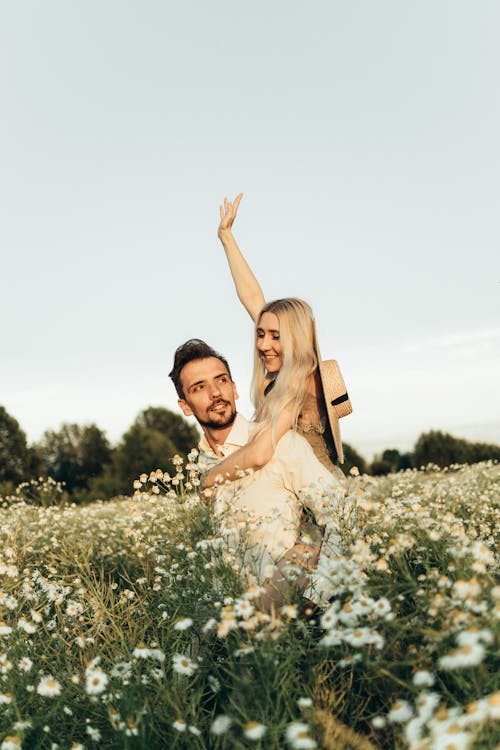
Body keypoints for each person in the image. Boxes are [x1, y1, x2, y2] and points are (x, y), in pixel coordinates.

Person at [168, 339, 344, 609]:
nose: (215, 392)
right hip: (231, 622)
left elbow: (341, 515)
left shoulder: (281, 444)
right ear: (185, 406)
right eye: (199, 387)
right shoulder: (197, 469)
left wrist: (314, 599)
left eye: (221, 380)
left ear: (235, 389)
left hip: (290, 618)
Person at [200, 193, 350, 493]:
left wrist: (209, 478)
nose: (263, 344)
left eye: (275, 337)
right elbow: (253, 297)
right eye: (260, 334)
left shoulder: (297, 380)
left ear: (294, 340)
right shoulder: (283, 366)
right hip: (289, 490)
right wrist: (226, 237)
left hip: (317, 503)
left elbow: (260, 453)